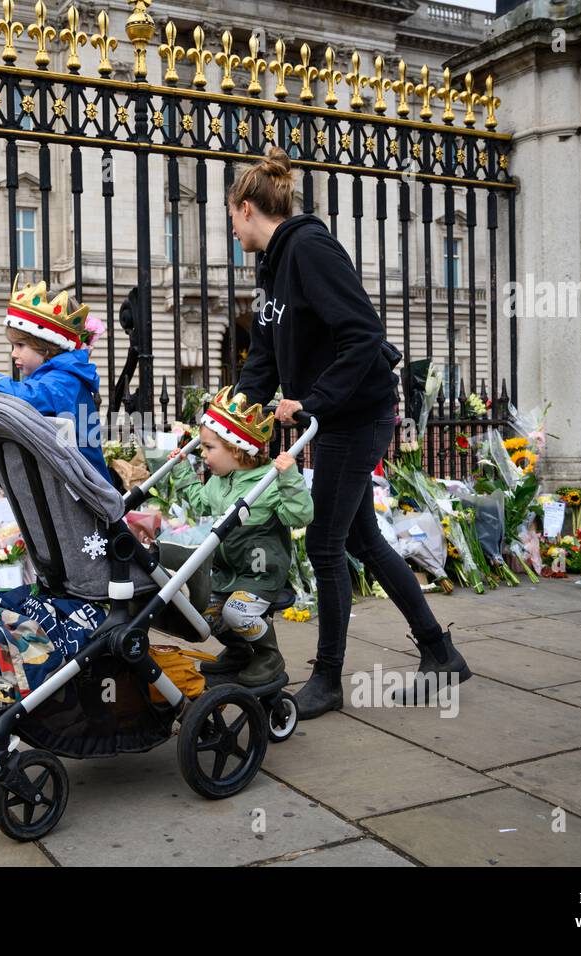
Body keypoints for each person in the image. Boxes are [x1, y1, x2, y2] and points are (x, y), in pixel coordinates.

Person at [229, 146, 473, 718]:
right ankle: (441, 654)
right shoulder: (274, 267)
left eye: (231, 217)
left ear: (246, 208)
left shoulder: (309, 249)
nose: (231, 228)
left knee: (326, 544)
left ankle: (330, 679)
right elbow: (264, 355)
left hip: (355, 415)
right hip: (334, 417)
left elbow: (363, 333)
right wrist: (231, 412)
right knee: (362, 538)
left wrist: (312, 401)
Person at [168, 387, 314, 687]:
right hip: (227, 572)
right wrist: (181, 470)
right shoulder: (219, 482)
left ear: (235, 449)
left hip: (260, 574)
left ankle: (267, 654)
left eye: (209, 448)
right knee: (202, 614)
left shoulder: (268, 482)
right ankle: (238, 651)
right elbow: (198, 502)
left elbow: (300, 516)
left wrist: (289, 478)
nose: (203, 454)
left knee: (236, 613)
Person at [0, 277, 114, 485]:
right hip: (74, 485)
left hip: (87, 490)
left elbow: (29, 397)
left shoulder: (64, 381)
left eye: (20, 345)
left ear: (47, 345)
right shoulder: (56, 377)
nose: (14, 354)